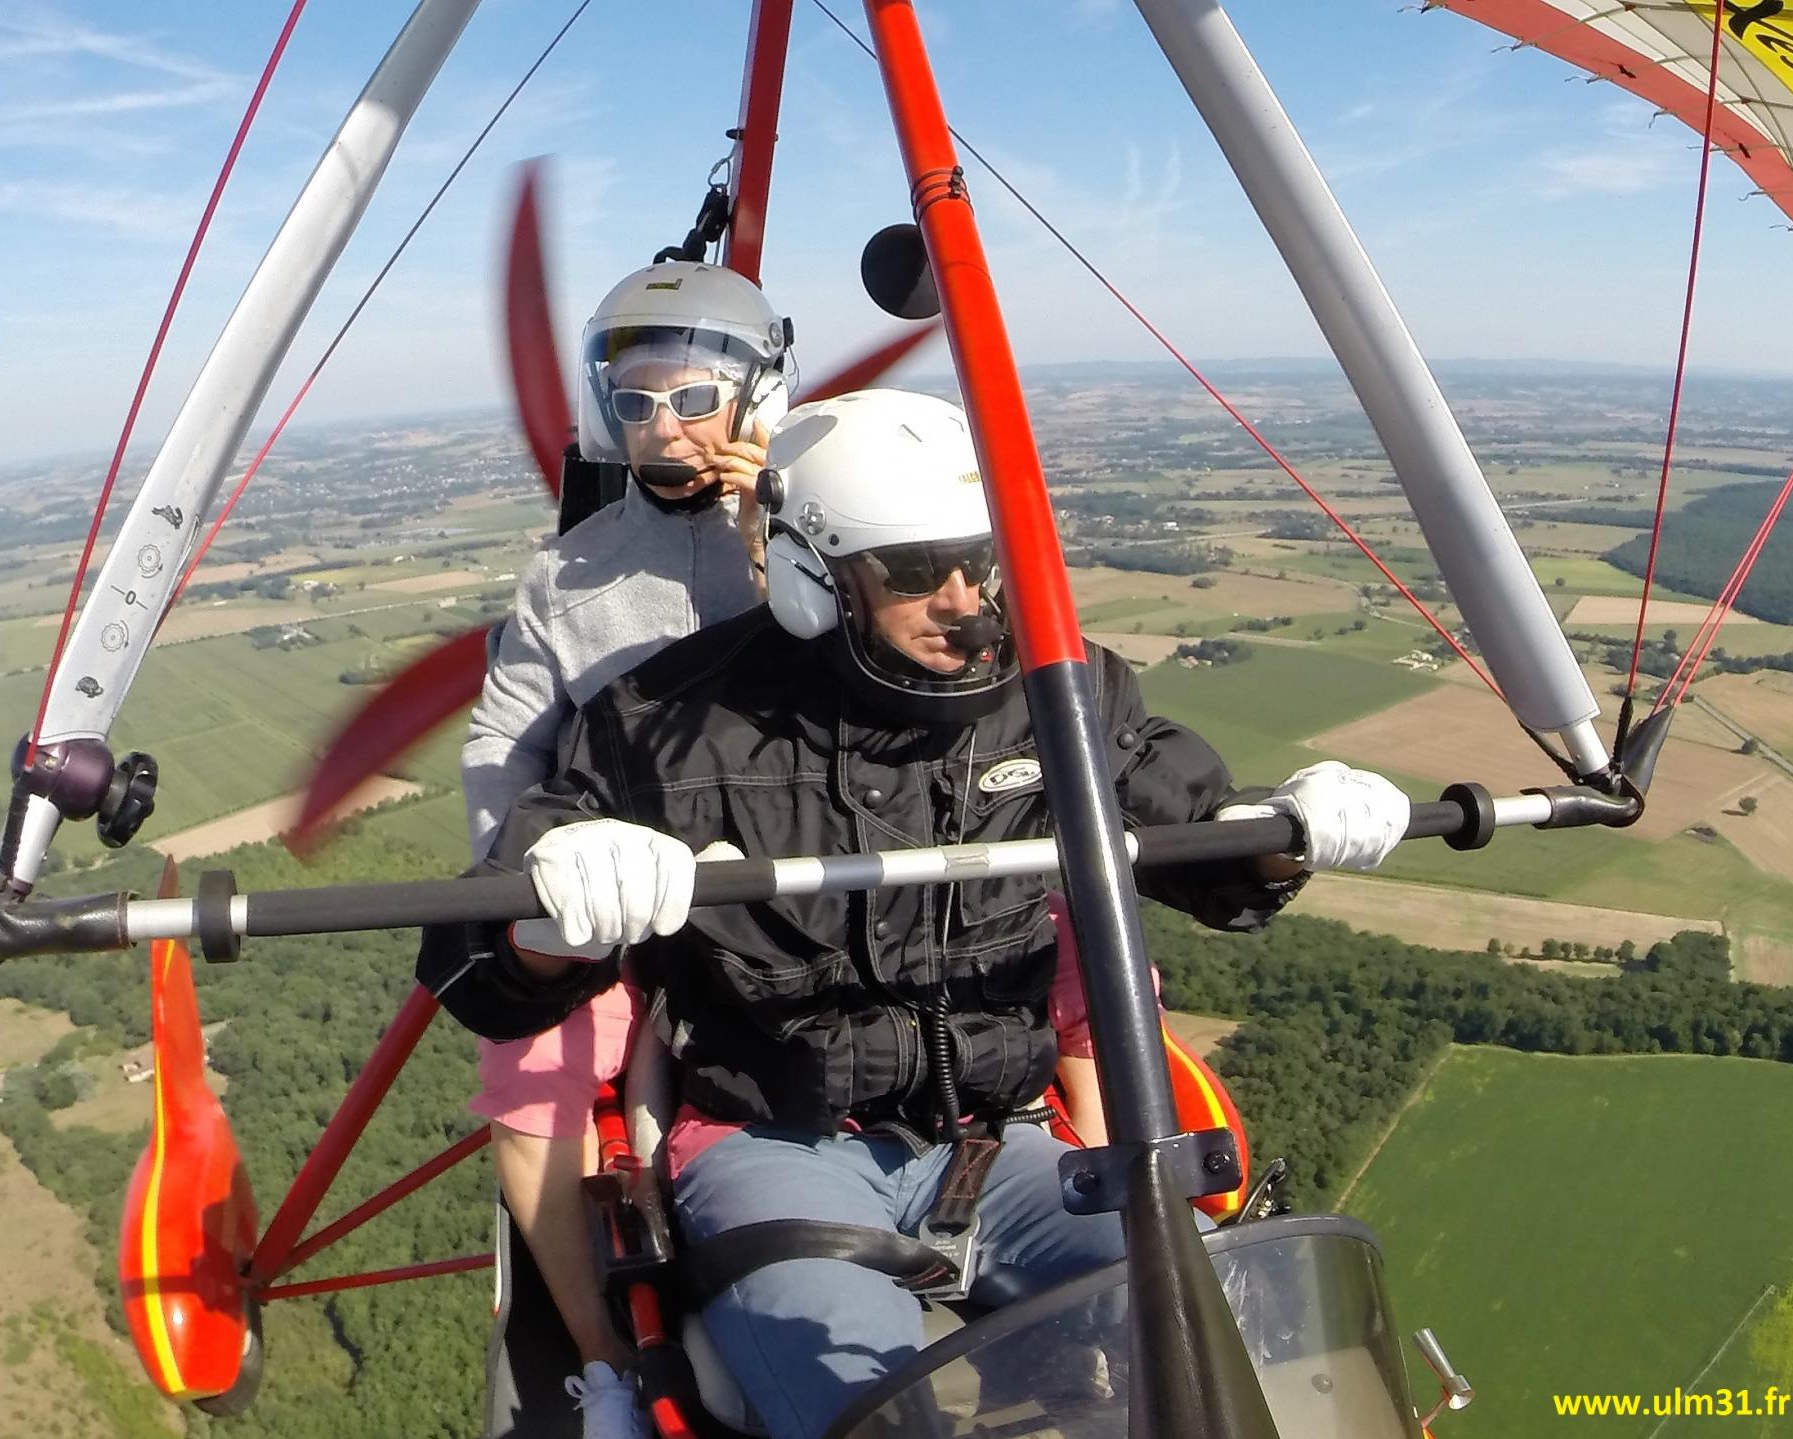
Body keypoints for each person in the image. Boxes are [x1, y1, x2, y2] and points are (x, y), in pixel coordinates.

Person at [423, 390, 1411, 1439]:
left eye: (980, 563)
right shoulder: (667, 725)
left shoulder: (1055, 691)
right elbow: (478, 968)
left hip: (1003, 1146)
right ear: (811, 574)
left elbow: (1195, 835)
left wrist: (1288, 827)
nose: (965, 603)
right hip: (772, 1149)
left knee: (1217, 1353)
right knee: (868, 1411)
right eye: (909, 571)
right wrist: (551, 912)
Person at [459, 258, 797, 1439]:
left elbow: (897, 674)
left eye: (697, 395)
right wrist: (532, 879)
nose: (667, 426)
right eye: (640, 400)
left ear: (762, 395)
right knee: (529, 1075)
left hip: (809, 865)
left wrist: (781, 535)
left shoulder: (826, 527)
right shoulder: (572, 573)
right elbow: (506, 744)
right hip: (627, 891)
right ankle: (605, 1362)